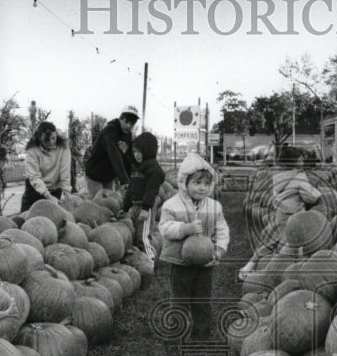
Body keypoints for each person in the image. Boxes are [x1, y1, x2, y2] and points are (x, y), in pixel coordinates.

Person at [158, 152, 230, 342]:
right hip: (180, 263)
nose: (202, 188)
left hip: (205, 263)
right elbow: (165, 228)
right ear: (184, 182)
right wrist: (185, 228)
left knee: (202, 301)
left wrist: (220, 249)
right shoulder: (171, 205)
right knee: (179, 301)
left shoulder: (214, 207)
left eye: (206, 184)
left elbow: (222, 229)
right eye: (197, 183)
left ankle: (201, 336)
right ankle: (176, 335)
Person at [237, 144, 321, 279]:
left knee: (269, 241)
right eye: (300, 160)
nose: (303, 162)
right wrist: (319, 195)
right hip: (293, 216)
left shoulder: (279, 176)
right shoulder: (299, 177)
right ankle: (274, 273)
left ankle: (249, 267)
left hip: (280, 212)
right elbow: (311, 195)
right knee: (289, 245)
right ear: (293, 163)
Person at [125, 131, 166, 265]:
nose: (136, 154)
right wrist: (125, 207)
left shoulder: (152, 168)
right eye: (135, 151)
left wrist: (145, 208)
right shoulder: (137, 168)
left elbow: (151, 190)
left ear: (148, 151)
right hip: (135, 206)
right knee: (133, 235)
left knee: (143, 238)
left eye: (140, 152)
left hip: (146, 208)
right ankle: (139, 260)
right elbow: (131, 189)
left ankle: (150, 261)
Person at [84, 104, 139, 199]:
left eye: (132, 124)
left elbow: (127, 158)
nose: (129, 126)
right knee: (99, 204)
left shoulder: (128, 135)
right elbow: (114, 155)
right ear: (121, 118)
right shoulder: (109, 131)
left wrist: (130, 179)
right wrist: (124, 180)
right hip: (94, 175)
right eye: (126, 122)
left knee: (110, 204)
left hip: (108, 177)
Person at [20, 121, 72, 212]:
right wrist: (47, 195)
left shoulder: (63, 149)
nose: (51, 142)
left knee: (53, 218)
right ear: (40, 138)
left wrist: (67, 193)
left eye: (53, 138)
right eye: (46, 140)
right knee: (25, 219)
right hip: (34, 189)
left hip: (55, 189)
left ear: (56, 135)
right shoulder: (32, 150)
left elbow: (65, 173)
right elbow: (34, 176)